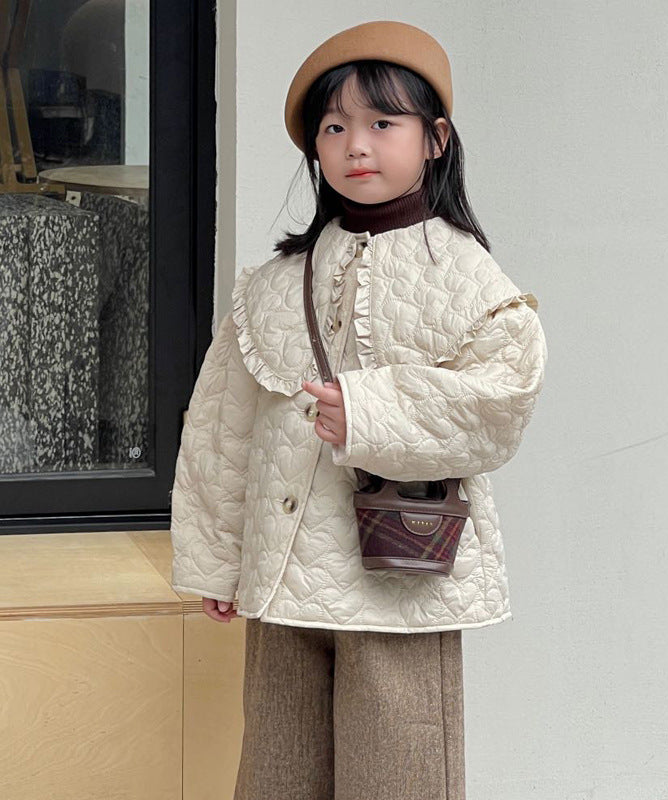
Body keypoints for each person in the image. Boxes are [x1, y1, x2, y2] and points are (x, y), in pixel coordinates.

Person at [169, 19, 548, 800]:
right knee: (277, 773)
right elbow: (221, 427)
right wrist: (215, 557)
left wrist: (370, 411)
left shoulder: (463, 272)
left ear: (435, 138)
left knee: (399, 777)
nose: (356, 145)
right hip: (282, 571)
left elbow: (502, 398)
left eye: (382, 123)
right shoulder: (277, 280)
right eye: (334, 127)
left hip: (401, 577)